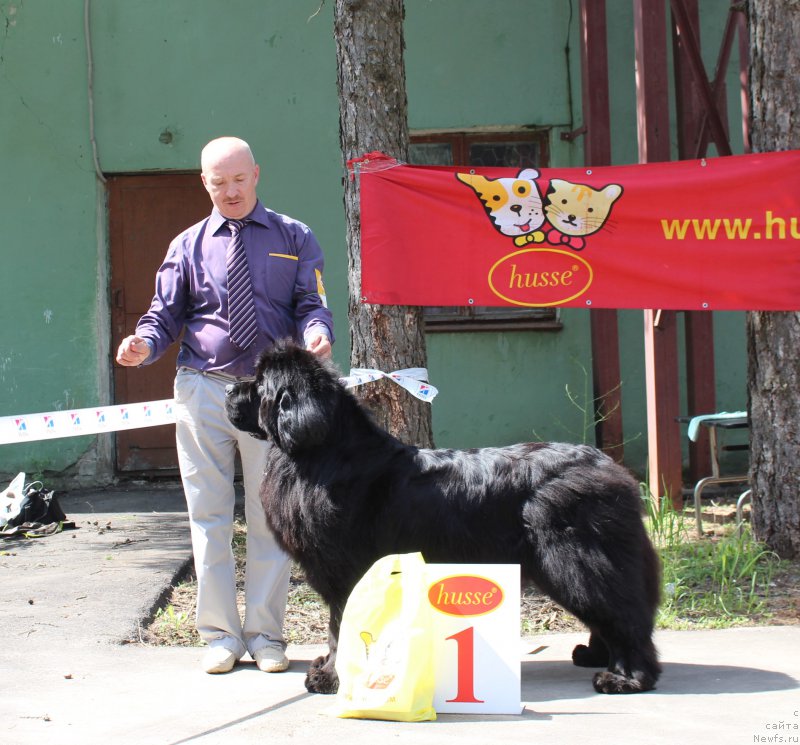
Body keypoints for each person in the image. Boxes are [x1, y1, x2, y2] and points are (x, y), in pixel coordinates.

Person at [116, 136, 334, 674]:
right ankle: (219, 636)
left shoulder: (294, 236)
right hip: (203, 389)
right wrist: (143, 344)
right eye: (219, 182)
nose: (230, 191)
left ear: (256, 174)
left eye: (238, 179)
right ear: (204, 183)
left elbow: (313, 302)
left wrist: (317, 332)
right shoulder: (186, 244)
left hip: (271, 395)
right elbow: (163, 313)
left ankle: (266, 636)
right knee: (208, 517)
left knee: (271, 517)